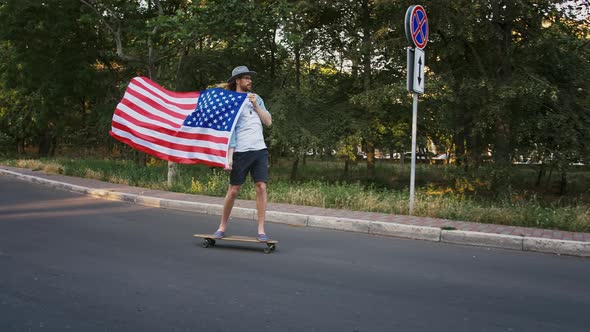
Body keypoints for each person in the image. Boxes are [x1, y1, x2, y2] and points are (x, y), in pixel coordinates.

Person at [213, 66, 272, 241]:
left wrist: (255, 105)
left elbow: (268, 122)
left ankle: (261, 230)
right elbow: (229, 132)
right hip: (241, 152)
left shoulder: (257, 99)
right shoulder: (231, 101)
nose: (250, 81)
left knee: (261, 187)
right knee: (233, 190)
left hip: (259, 150)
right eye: (246, 78)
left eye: (250, 78)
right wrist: (228, 158)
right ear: (237, 81)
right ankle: (222, 226)